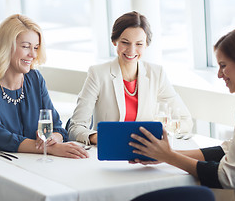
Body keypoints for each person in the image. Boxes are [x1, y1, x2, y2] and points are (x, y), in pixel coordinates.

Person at [129, 28, 235, 200]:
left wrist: (169, 156)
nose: (219, 74)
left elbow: (228, 177)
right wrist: (167, 154)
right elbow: (227, 149)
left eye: (223, 66)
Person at [0, 14, 89, 159]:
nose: (33, 54)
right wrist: (49, 149)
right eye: (25, 47)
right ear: (6, 47)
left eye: (36, 47)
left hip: (32, 163)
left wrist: (53, 140)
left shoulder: (35, 78)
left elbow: (57, 127)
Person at [68, 11, 191, 145]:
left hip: (146, 152)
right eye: (125, 42)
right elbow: (75, 127)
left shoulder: (157, 73)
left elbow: (185, 121)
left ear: (146, 45)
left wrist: (157, 131)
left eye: (139, 44)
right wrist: (97, 138)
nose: (131, 51)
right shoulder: (98, 74)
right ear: (115, 41)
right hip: (110, 150)